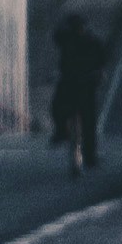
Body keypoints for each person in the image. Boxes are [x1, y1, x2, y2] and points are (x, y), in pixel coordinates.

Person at [49, 11, 106, 173]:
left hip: (79, 84)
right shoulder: (76, 40)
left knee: (67, 111)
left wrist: (98, 74)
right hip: (76, 84)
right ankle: (86, 152)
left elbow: (101, 62)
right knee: (64, 110)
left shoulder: (79, 41)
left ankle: (64, 133)